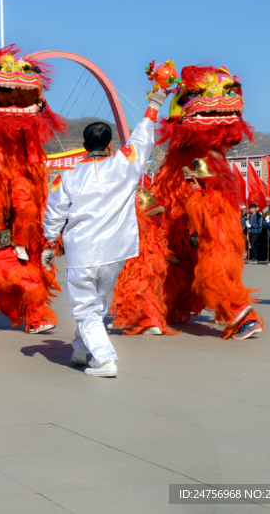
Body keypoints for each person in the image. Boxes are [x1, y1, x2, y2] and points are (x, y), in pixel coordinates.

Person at [42, 89, 168, 377]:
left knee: (85, 308)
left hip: (82, 253)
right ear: (110, 145)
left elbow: (53, 216)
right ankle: (79, 349)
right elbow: (143, 136)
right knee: (95, 304)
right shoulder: (124, 164)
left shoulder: (68, 177)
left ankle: (104, 359)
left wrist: (49, 244)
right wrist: (155, 102)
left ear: (84, 145)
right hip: (115, 252)